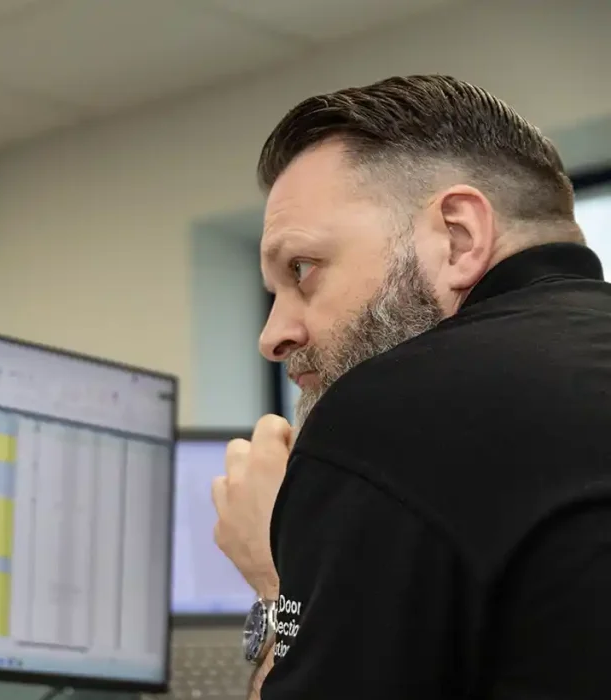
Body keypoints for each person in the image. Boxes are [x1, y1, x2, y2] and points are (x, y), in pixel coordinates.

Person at [211, 74, 611, 700]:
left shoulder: (381, 415)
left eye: (303, 269)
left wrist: (277, 585)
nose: (273, 335)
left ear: (458, 237)